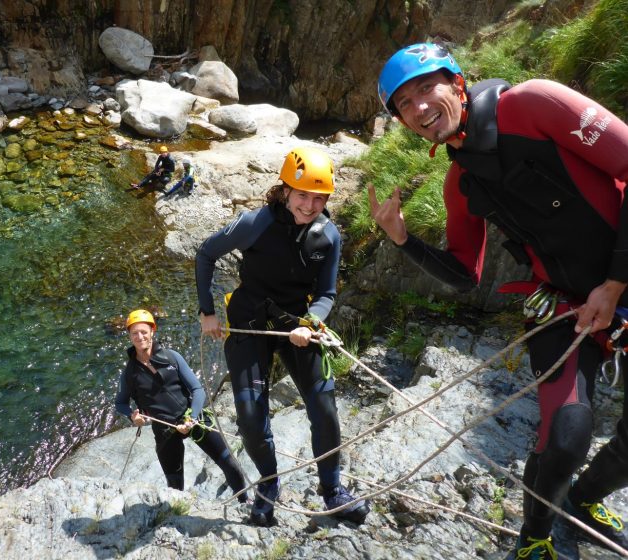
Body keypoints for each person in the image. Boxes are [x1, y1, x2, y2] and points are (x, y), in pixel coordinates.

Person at [371, 42, 628, 559]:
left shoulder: (535, 105)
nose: (419, 107)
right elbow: (466, 274)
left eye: (427, 88)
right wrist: (403, 240)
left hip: (622, 284)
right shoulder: (460, 181)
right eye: (403, 104)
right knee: (565, 438)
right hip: (562, 306)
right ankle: (533, 539)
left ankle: (583, 498)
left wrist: (615, 285)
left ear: (458, 83)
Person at [196, 146, 368, 526]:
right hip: (249, 322)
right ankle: (268, 485)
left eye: (319, 197)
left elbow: (326, 294)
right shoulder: (254, 224)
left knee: (324, 410)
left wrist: (310, 322)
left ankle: (332, 490)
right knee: (251, 416)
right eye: (303, 194)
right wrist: (207, 311)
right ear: (285, 190)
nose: (310, 205)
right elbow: (205, 254)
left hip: (296, 326)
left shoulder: (328, 236)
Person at [114, 309, 248, 502]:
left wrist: (192, 418)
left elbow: (197, 390)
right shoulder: (129, 373)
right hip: (164, 430)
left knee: (228, 462)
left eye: (144, 331)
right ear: (129, 336)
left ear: (153, 331)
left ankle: (245, 501)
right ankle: (179, 514)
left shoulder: (171, 357)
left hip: (193, 419)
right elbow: (120, 403)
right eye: (134, 333)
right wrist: (132, 415)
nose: (140, 336)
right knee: (174, 483)